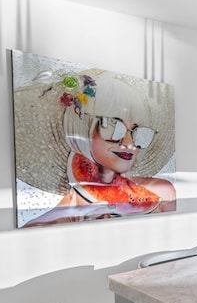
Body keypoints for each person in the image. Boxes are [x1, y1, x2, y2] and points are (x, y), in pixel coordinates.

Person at [20, 70, 176, 227]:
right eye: (112, 125)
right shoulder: (44, 226)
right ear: (82, 127)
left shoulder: (162, 192)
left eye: (137, 131)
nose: (129, 143)